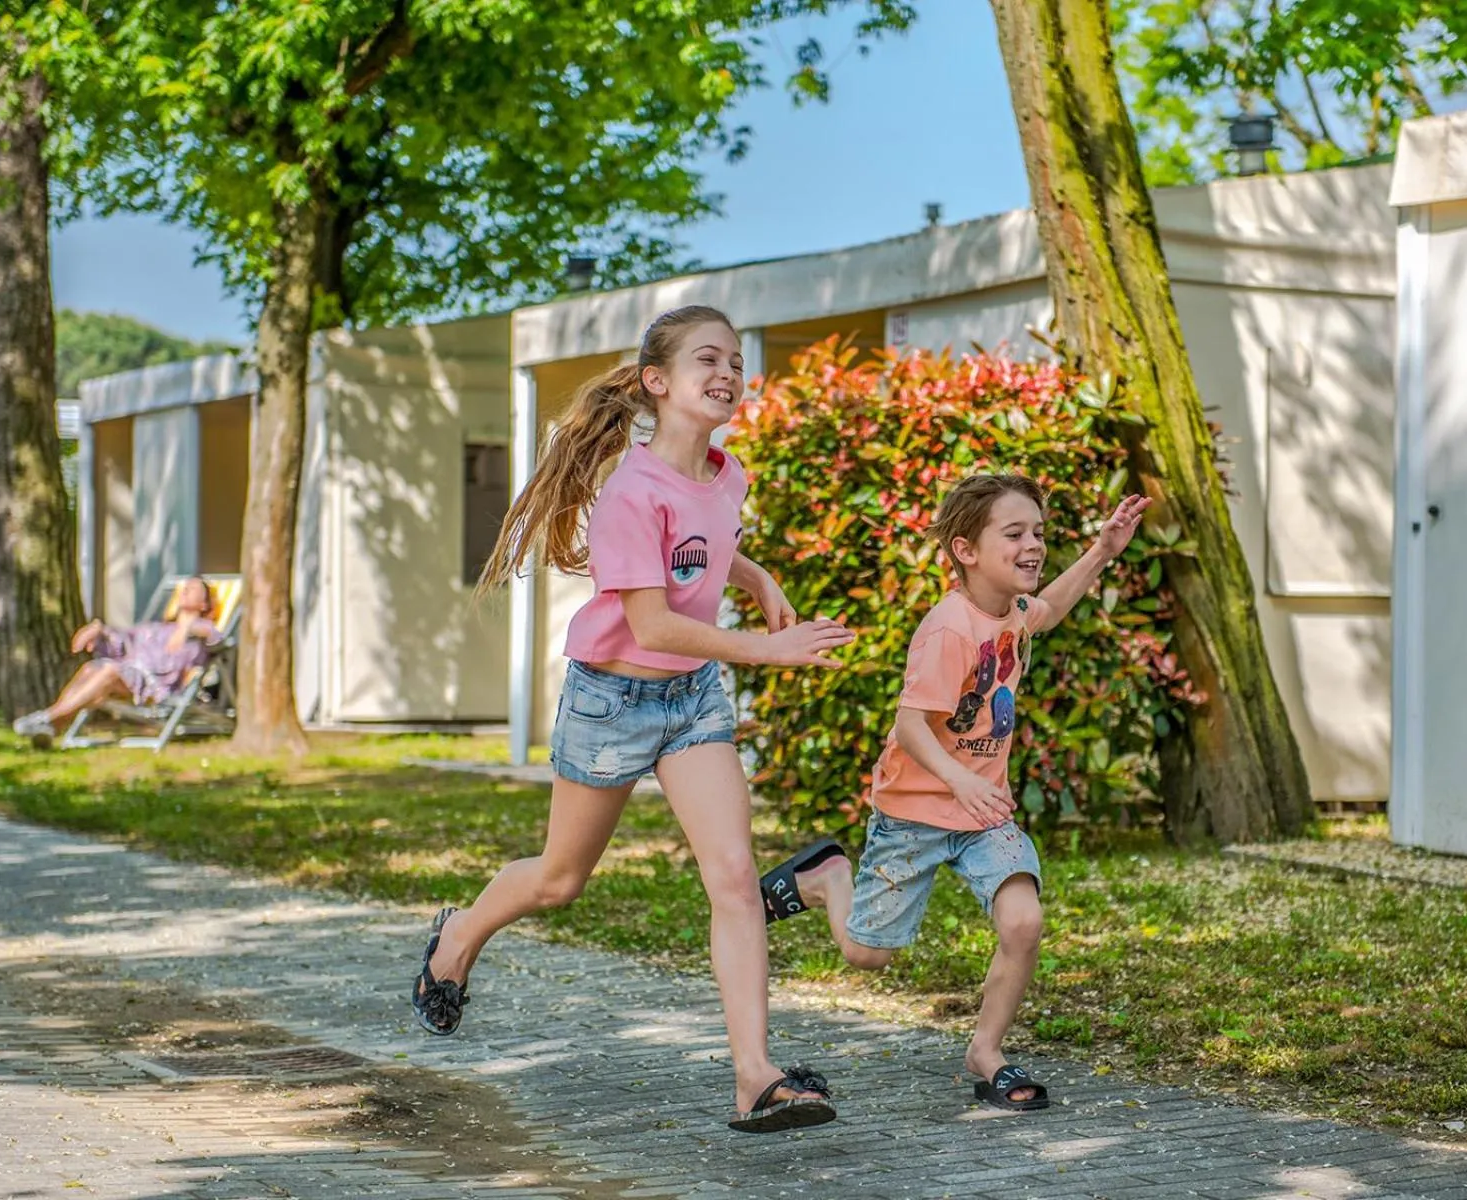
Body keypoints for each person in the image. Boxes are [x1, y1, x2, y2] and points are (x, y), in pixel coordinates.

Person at [411, 305, 856, 1134]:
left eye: (735, 361)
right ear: (657, 383)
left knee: (732, 878)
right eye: (706, 361)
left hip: (690, 702)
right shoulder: (628, 492)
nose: (727, 373)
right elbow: (651, 625)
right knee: (559, 880)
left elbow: (705, 542)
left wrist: (753, 578)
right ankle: (457, 937)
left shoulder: (728, 475)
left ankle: (754, 1077)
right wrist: (770, 648)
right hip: (612, 700)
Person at [760, 473, 1150, 1113]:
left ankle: (985, 1052)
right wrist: (962, 777)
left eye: (1039, 534)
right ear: (966, 550)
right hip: (914, 812)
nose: (1033, 546)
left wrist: (1102, 550)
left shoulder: (1015, 613)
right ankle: (828, 877)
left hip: (981, 813)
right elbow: (910, 726)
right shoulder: (949, 629)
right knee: (866, 955)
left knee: (1023, 921)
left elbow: (1049, 607)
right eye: (1015, 533)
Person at [11, 576, 224, 748]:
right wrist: (99, 629)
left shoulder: (205, 631)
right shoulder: (156, 628)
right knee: (89, 669)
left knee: (109, 671)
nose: (185, 590)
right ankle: (51, 726)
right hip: (131, 675)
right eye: (184, 587)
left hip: (157, 689)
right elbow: (123, 641)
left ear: (204, 603)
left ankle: (48, 718)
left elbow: (216, 639)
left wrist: (190, 626)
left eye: (193, 588)